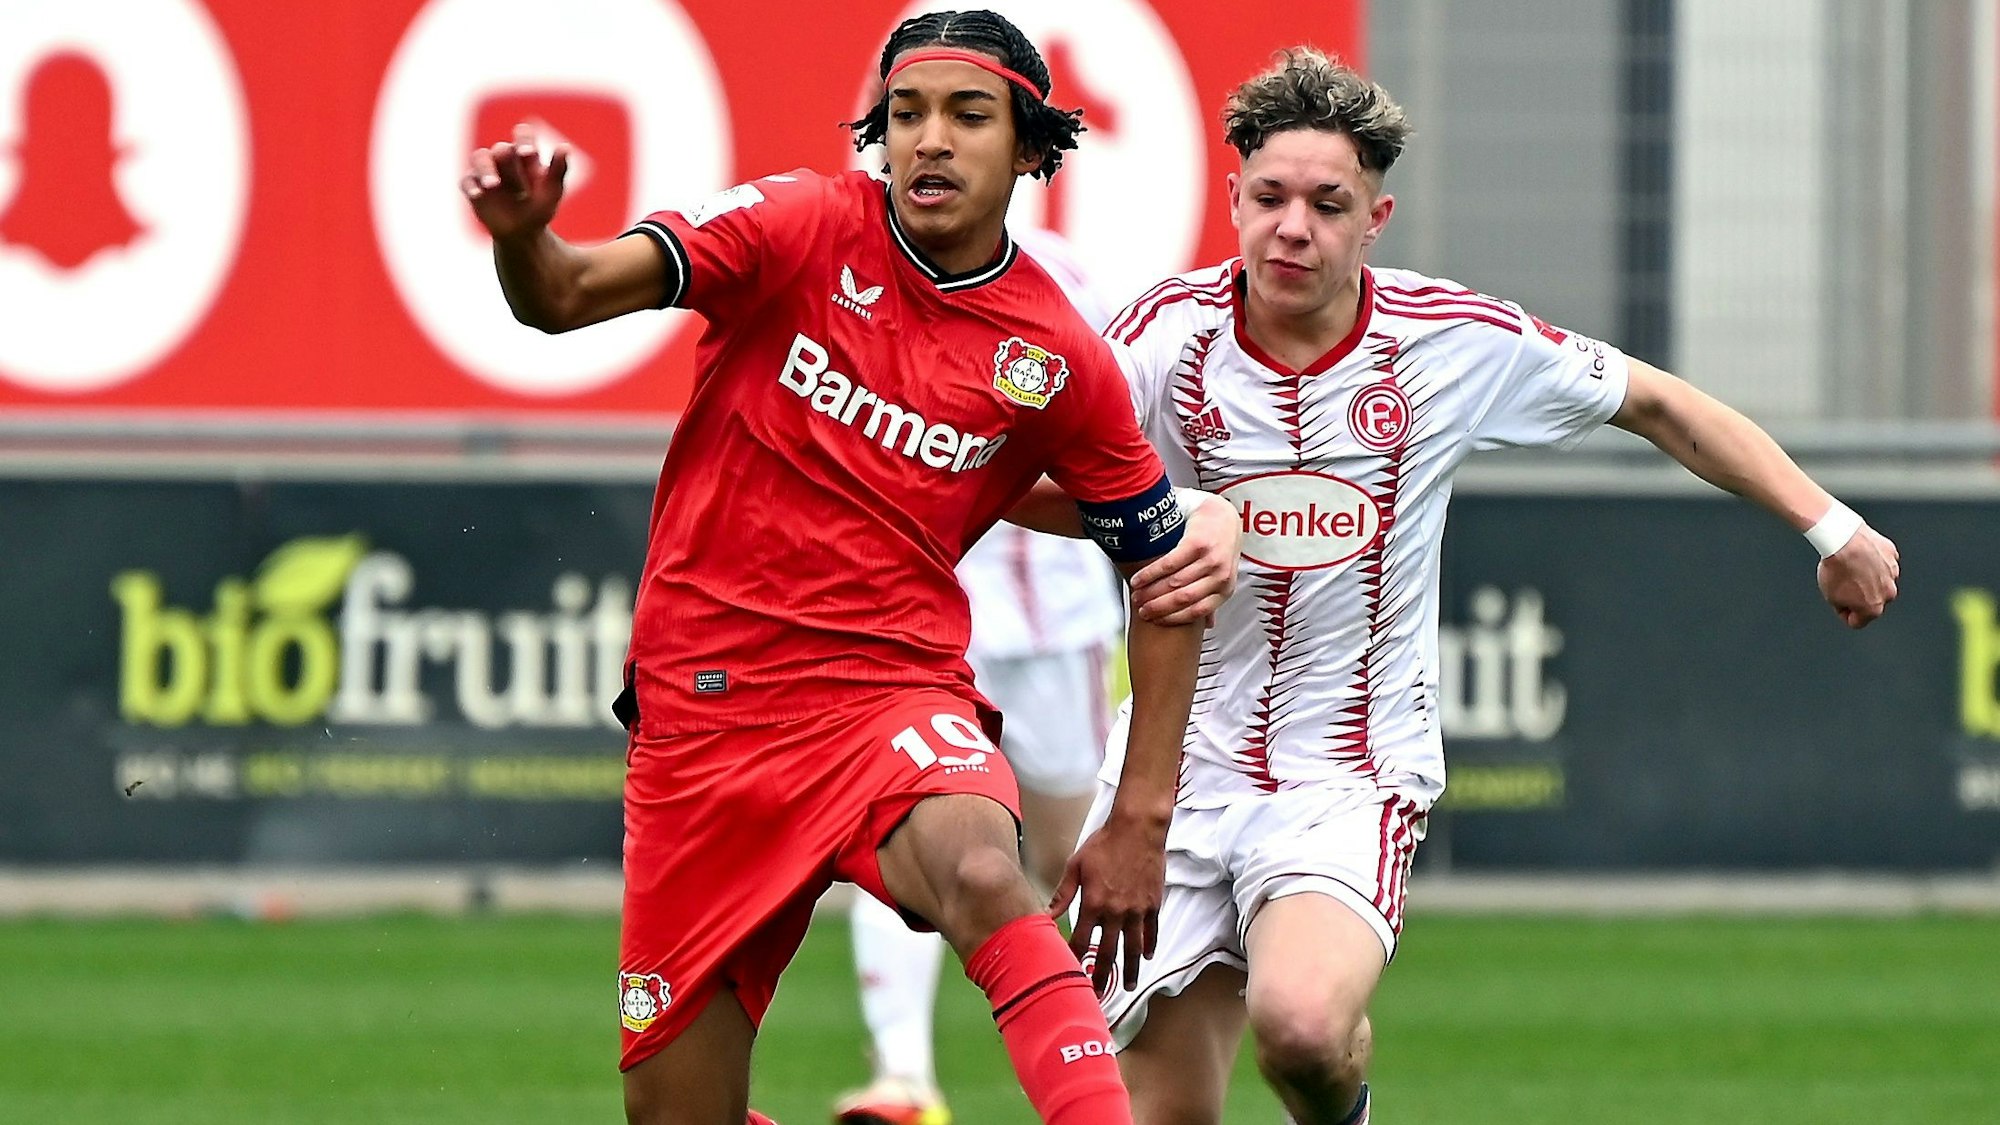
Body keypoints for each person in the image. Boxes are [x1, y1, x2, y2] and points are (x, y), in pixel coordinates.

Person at [1080, 47, 1901, 1125]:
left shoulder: (1450, 340)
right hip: (1177, 764)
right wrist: (1171, 516)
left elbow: (1654, 403)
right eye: (1269, 198)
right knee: (1163, 1114)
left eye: (1327, 205)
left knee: (1301, 1030)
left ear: (1373, 219)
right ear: (1230, 197)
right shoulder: (1156, 333)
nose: (1293, 227)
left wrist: (1827, 524)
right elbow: (1029, 476)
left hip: (1350, 769)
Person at [460, 9, 1242, 1125]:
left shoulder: (1055, 353)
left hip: (888, 693)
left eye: (966, 116)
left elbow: (1158, 568)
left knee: (981, 873)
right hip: (705, 717)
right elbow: (565, 295)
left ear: (1028, 148)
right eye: (904, 115)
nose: (927, 139)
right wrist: (524, 239)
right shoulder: (794, 228)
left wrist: (1140, 819)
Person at [835, 228, 1127, 1125]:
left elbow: (1118, 443)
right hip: (919, 624)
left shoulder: (1072, 280)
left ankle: (1110, 1063)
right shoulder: (854, 273)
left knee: (1070, 863)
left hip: (1056, 631)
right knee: (898, 834)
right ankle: (905, 1079)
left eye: (966, 118)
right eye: (903, 119)